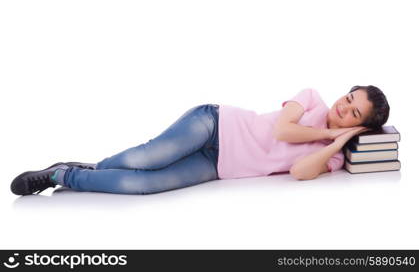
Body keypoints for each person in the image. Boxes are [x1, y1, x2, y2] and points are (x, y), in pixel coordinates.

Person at [10, 85, 390, 196]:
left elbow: (298, 170)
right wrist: (329, 131)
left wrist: (339, 142)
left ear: (361, 127)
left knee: (142, 184)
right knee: (144, 158)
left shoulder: (333, 156)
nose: (343, 108)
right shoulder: (312, 98)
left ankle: (64, 175)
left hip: (218, 167)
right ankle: (73, 171)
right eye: (349, 99)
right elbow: (282, 131)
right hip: (214, 124)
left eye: (354, 114)